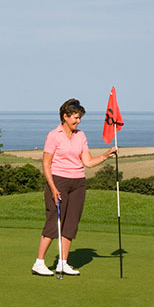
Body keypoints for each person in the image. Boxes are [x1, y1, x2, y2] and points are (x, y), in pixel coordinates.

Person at [34, 98, 118, 277]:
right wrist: (53, 187)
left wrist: (106, 155)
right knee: (53, 222)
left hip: (78, 183)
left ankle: (63, 263)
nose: (78, 121)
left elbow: (87, 162)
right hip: (58, 181)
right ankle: (39, 262)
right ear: (65, 116)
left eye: (80, 118)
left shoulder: (81, 135)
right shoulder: (53, 135)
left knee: (71, 223)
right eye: (75, 118)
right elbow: (46, 164)